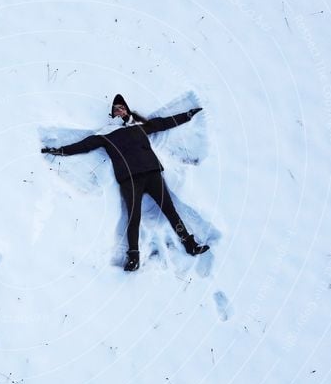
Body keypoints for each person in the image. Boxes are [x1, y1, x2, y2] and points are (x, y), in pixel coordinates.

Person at [41, 94, 209, 271]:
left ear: (127, 110)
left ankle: (190, 244)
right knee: (134, 217)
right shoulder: (105, 134)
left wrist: (187, 115)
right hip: (130, 180)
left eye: (122, 107)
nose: (119, 110)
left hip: (152, 174)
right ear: (112, 114)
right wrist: (59, 151)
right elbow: (83, 146)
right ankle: (134, 258)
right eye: (116, 109)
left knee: (170, 210)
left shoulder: (139, 126)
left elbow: (164, 123)